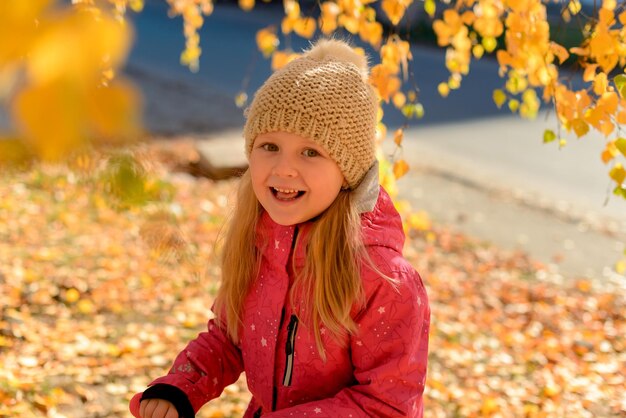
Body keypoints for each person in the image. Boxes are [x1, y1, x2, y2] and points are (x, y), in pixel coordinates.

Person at [129, 38, 430, 418]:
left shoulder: (384, 281)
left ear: (348, 171)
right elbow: (230, 337)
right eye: (269, 146)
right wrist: (180, 389)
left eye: (311, 152)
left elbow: (386, 407)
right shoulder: (259, 242)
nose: (284, 168)